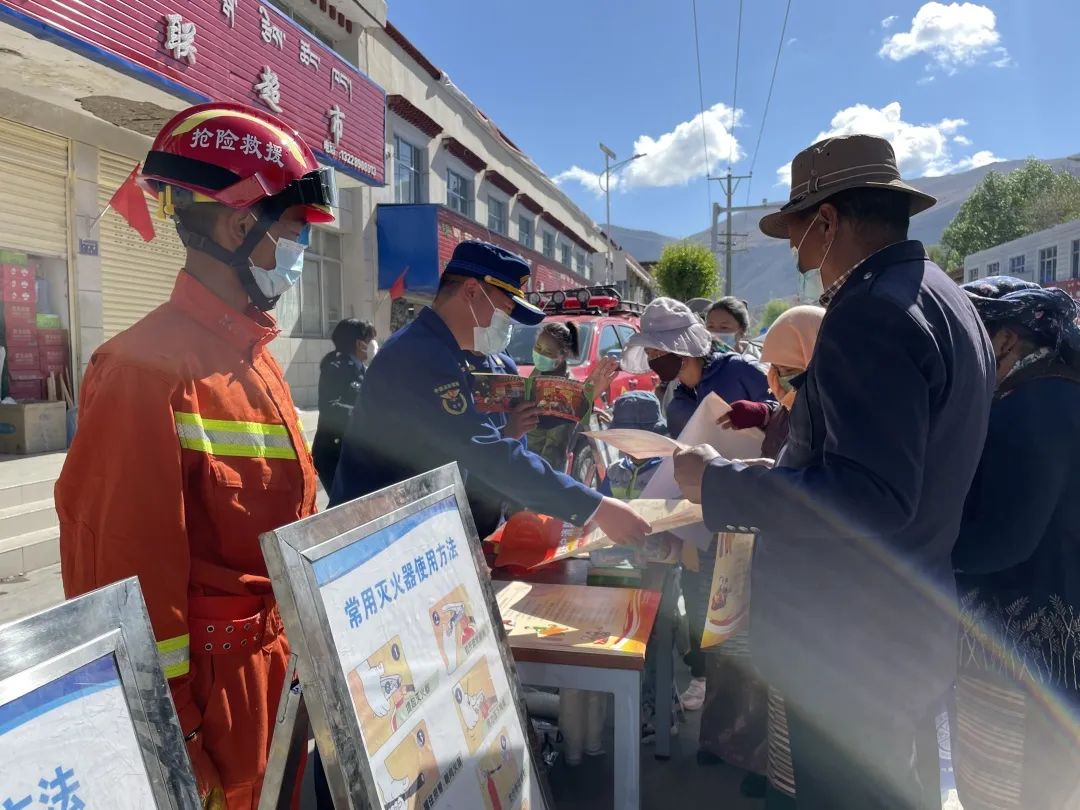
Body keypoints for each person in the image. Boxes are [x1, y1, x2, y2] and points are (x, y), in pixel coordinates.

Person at [673, 134, 996, 810]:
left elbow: (869, 497)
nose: (797, 257)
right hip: (907, 626)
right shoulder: (946, 297)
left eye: (797, 234)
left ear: (826, 221)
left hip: (851, 643)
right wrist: (782, 466)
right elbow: (891, 468)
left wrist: (721, 484)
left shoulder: (869, 311)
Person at [56, 102, 338, 809]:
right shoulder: (142, 371)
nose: (301, 254)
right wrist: (172, 742)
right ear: (241, 226)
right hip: (210, 715)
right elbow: (118, 582)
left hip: (275, 678)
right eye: (296, 234)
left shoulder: (255, 357)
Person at [951, 277, 1080, 810]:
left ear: (1004, 341)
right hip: (1060, 638)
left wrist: (924, 547)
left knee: (1008, 788)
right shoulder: (1061, 395)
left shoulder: (1030, 410)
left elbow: (1004, 542)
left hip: (1023, 647)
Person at [621, 296, 773, 719]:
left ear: (683, 346)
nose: (654, 360)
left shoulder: (741, 371)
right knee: (711, 608)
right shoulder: (677, 396)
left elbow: (787, 413)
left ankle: (755, 717)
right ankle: (721, 710)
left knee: (748, 616)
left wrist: (762, 412)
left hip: (753, 507)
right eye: (649, 353)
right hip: (705, 515)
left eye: (658, 351)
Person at [719, 304, 825, 806]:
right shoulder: (803, 404)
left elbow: (813, 499)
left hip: (810, 610)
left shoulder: (828, 417)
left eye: (781, 371)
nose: (770, 380)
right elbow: (778, 417)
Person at [722, 305, 826, 459]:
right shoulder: (790, 403)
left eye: (790, 370)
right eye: (776, 368)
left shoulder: (833, 420)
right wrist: (764, 414)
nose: (781, 377)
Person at [527, 321, 618, 472]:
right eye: (537, 348)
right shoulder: (535, 375)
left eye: (548, 353)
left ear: (563, 355)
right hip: (523, 464)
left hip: (544, 473)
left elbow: (555, 451)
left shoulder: (569, 389)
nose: (540, 355)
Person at [312, 318, 376, 492]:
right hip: (333, 451)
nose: (371, 345)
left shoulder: (362, 369)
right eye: (369, 341)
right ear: (358, 343)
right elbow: (330, 408)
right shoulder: (336, 368)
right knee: (342, 506)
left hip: (353, 450)